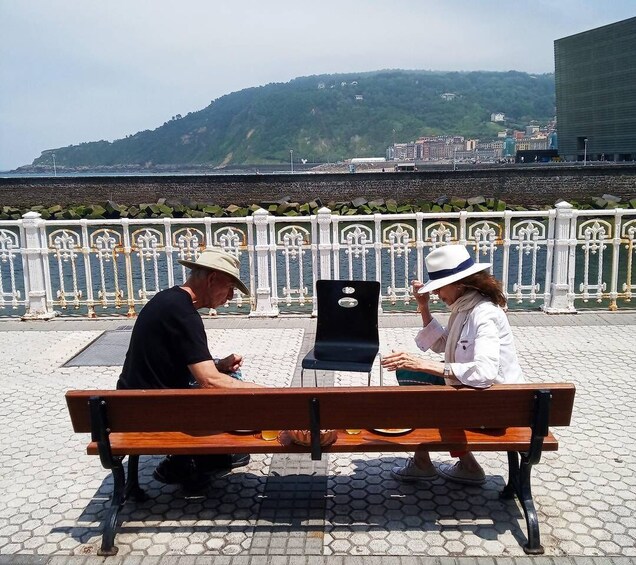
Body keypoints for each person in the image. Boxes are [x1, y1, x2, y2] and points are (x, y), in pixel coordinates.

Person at [117, 247, 262, 489]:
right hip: (159, 415)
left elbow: (172, 363)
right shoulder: (184, 315)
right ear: (212, 279)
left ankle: (196, 460)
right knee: (235, 394)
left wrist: (219, 365)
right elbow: (209, 381)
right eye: (230, 288)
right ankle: (196, 462)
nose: (231, 298)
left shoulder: (166, 300)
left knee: (228, 377)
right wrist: (265, 392)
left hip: (132, 408)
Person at [381, 244, 524, 485]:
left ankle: (425, 463)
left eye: (439, 288)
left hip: (494, 410)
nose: (436, 294)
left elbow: (484, 373)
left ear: (460, 283)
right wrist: (423, 306)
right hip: (494, 403)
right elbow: (444, 344)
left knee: (420, 386)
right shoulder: (466, 307)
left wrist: (425, 365)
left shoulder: (484, 314)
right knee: (411, 375)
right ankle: (456, 464)